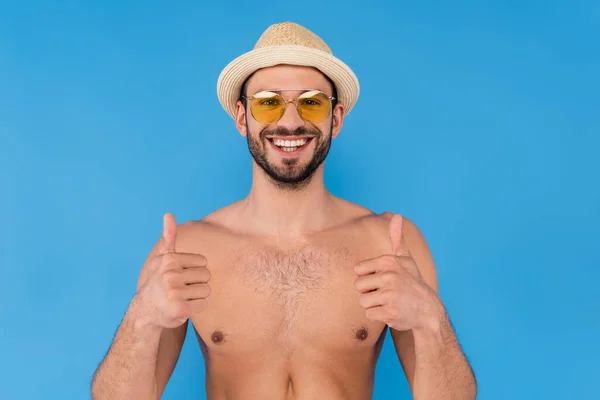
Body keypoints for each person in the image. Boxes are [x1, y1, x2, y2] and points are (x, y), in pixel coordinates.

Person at [91, 22, 477, 400]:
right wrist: (141, 318)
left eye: (311, 103)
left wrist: (431, 321)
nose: (289, 122)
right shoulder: (187, 250)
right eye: (268, 102)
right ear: (243, 118)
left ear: (336, 119)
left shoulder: (391, 243)